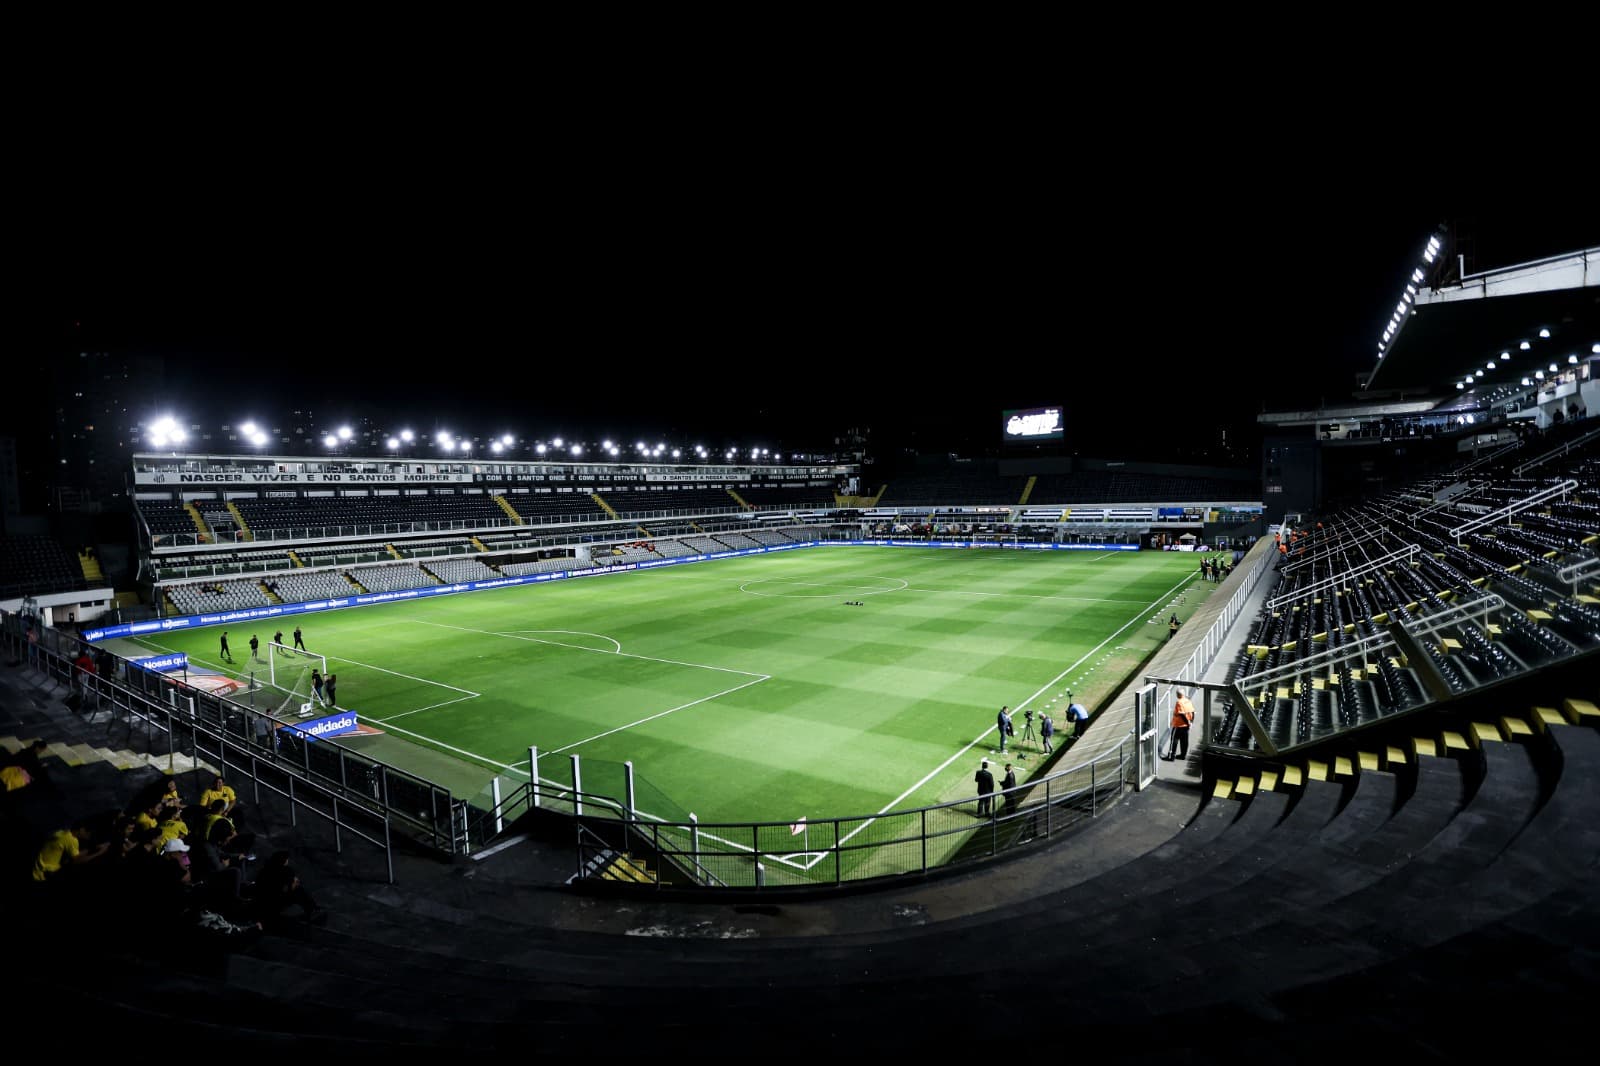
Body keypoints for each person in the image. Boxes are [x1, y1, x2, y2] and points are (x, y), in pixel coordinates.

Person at [1168, 689, 1196, 760]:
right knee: (1185, 741)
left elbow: (1181, 714)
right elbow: (1193, 712)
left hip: (1178, 725)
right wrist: (1191, 722)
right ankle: (1183, 755)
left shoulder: (1179, 702)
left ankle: (1171, 756)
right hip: (1186, 727)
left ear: (1177, 695)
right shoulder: (1188, 701)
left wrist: (1188, 722)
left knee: (1174, 739)